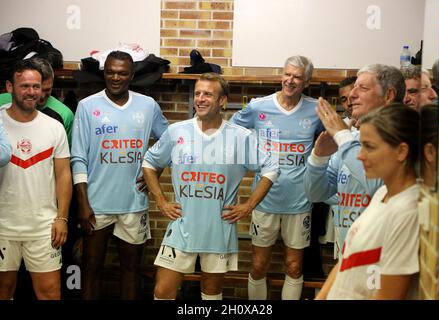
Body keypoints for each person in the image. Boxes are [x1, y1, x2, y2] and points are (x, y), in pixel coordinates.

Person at [142, 72, 279, 300]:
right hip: (182, 226)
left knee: (211, 293)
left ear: (222, 101)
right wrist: (161, 201)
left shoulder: (240, 136)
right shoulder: (178, 132)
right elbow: (149, 162)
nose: (201, 99)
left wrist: (248, 206)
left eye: (208, 94)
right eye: (197, 93)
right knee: (162, 291)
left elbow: (271, 168)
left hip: (218, 229)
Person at [70, 51, 169, 300]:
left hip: (133, 203)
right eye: (111, 72)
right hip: (96, 203)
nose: (116, 77)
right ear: (104, 72)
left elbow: (169, 141)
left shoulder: (147, 106)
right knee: (91, 267)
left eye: (122, 73)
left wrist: (154, 172)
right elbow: (78, 157)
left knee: (131, 269)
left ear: (131, 75)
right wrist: (82, 202)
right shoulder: (87, 106)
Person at [229, 55, 324, 300]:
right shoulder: (259, 106)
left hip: (300, 201)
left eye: (297, 77)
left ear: (307, 82)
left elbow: (331, 139)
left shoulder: (316, 109)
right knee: (259, 265)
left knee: (294, 266)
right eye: (287, 74)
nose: (290, 81)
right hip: (264, 201)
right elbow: (231, 131)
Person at [316, 104, 420, 299]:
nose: (360, 155)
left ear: (401, 151)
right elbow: (346, 261)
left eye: (369, 147)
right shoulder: (382, 193)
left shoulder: (408, 210)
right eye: (361, 144)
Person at [304, 64, 405, 259]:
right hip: (348, 251)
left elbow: (373, 184)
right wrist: (319, 157)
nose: (352, 95)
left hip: (382, 257)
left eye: (363, 88)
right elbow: (315, 194)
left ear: (389, 95)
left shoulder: (400, 139)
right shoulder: (350, 138)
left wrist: (342, 136)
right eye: (354, 87)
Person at [0, 59, 72, 300]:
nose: (31, 92)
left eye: (36, 86)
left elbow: (63, 175)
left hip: (43, 227)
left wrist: (62, 217)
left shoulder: (54, 127)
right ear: (10, 87)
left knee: (50, 294)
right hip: (3, 226)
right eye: (24, 86)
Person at [0, 57, 74, 143]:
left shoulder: (64, 114)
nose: (41, 96)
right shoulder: (1, 102)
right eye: (37, 88)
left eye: (47, 90)